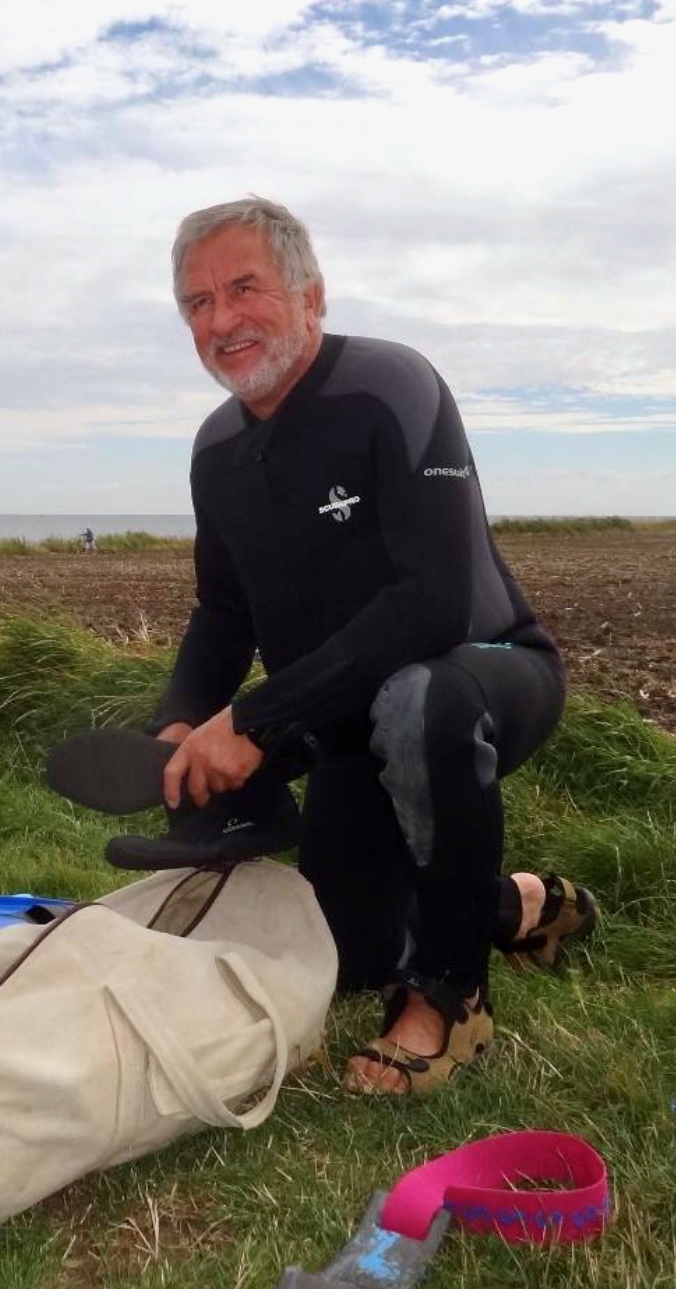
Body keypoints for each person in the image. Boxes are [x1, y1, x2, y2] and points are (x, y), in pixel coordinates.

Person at [146, 197, 596, 1096]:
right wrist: (183, 720)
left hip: (483, 672)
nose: (221, 320)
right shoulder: (217, 450)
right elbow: (223, 615)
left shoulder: (391, 388)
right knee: (348, 955)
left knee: (420, 699)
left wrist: (258, 719)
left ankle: (450, 996)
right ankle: (517, 904)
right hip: (343, 716)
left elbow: (433, 605)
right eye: (198, 302)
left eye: (244, 288)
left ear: (310, 296)